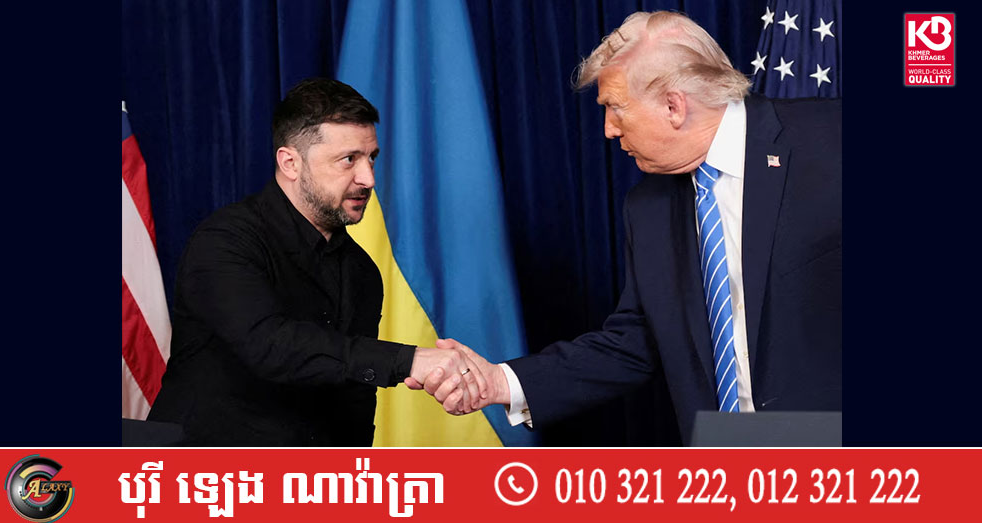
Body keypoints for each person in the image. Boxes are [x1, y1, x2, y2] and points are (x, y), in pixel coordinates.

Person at [408, 11, 841, 444]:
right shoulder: (648, 207)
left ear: (673, 106)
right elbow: (636, 342)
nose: (608, 130)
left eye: (614, 108)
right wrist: (500, 382)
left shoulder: (831, 140)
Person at [148, 78, 485, 446]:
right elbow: (270, 345)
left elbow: (354, 403)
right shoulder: (225, 240)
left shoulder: (362, 271)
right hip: (200, 470)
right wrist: (408, 360)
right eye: (349, 160)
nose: (368, 178)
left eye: (371, 158)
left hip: (313, 477)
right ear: (290, 163)